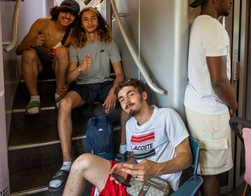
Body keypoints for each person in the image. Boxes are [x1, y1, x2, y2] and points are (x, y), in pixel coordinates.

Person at [62, 78, 192, 196]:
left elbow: (187, 158)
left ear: (144, 95)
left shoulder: (166, 116)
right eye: (122, 99)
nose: (127, 101)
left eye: (131, 94)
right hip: (135, 184)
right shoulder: (130, 125)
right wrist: (125, 167)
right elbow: (133, 157)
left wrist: (156, 169)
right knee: (82, 162)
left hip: (159, 188)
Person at [48, 7, 125, 192]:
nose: (90, 22)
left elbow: (120, 74)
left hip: (105, 84)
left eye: (93, 18)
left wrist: (114, 91)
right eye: (85, 19)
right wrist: (81, 67)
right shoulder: (75, 46)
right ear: (81, 24)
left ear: (98, 21)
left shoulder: (109, 43)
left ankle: (123, 151)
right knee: (65, 103)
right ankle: (67, 163)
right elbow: (68, 79)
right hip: (84, 86)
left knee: (127, 101)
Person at [184, 0, 238, 196]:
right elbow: (218, 81)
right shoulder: (213, 28)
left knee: (202, 169)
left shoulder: (198, 23)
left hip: (197, 105)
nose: (230, 2)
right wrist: (233, 104)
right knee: (211, 174)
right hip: (210, 113)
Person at [15, 0, 80, 115]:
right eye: (65, 11)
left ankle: (59, 94)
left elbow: (75, 60)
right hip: (37, 67)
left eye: (72, 14)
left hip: (58, 68)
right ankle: (34, 98)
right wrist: (31, 42)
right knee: (27, 53)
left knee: (62, 51)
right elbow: (18, 50)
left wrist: (68, 84)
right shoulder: (41, 23)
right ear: (58, 11)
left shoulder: (73, 33)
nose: (67, 16)